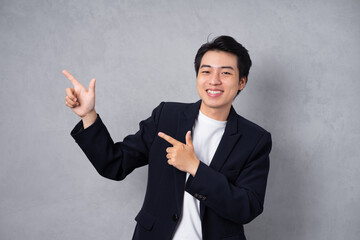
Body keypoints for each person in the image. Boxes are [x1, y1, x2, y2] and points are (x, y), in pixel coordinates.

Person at [64, 35, 272, 240]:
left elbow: (247, 208)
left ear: (241, 82)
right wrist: (88, 115)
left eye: (225, 73)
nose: (214, 81)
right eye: (206, 71)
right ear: (197, 77)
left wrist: (195, 168)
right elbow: (114, 164)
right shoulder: (167, 116)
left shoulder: (255, 139)